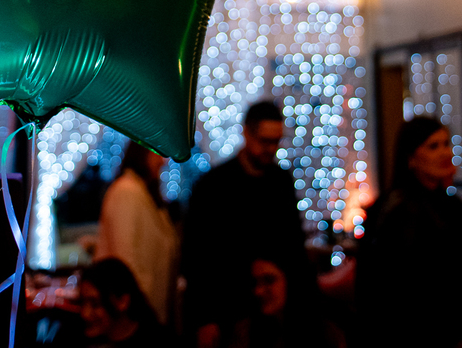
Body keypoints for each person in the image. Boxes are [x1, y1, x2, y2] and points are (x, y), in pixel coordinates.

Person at [181, 100, 310, 348]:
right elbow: (197, 258)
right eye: (265, 141)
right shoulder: (213, 186)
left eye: (276, 142)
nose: (271, 149)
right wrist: (206, 318)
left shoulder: (280, 182)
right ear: (247, 134)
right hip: (228, 310)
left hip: (274, 316)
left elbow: (294, 246)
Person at [356, 116, 462, 347]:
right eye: (433, 146)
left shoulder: (453, 206)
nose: (445, 153)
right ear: (411, 159)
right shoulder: (397, 209)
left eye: (446, 144)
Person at [95, 141, 179, 325]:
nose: (163, 161)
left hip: (147, 310)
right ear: (141, 153)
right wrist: (138, 312)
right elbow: (124, 259)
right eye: (157, 154)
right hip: (134, 314)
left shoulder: (145, 193)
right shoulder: (126, 191)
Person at [224, 254, 346, 348]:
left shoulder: (326, 334)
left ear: (292, 281)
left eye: (269, 280)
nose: (258, 291)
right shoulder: (245, 332)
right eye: (255, 282)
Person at [78, 258, 177, 347]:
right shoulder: (82, 338)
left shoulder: (160, 340)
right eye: (82, 302)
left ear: (123, 302)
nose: (85, 314)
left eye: (95, 304)